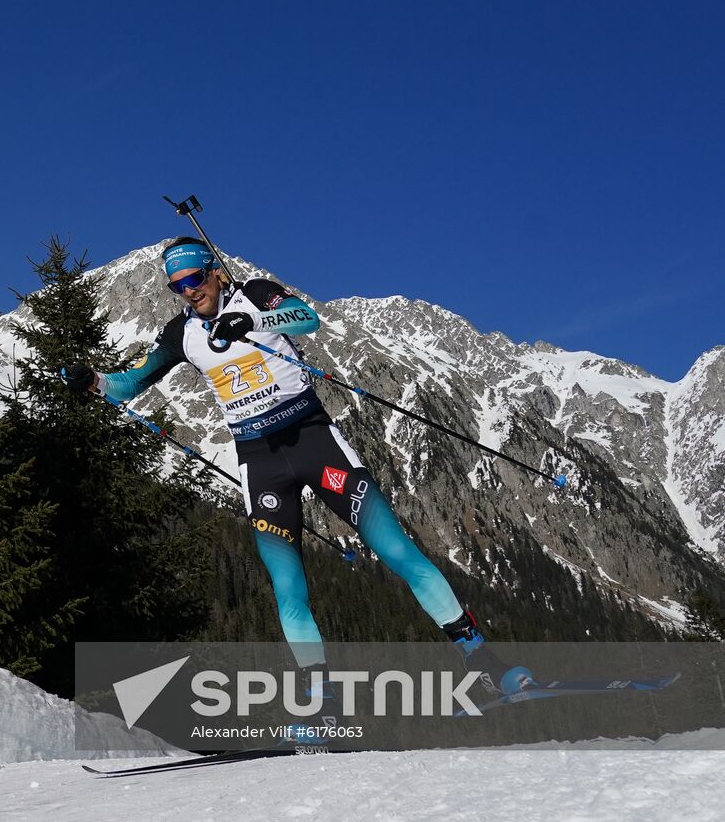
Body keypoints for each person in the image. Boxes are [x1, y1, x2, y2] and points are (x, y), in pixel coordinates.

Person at [61, 236, 530, 695]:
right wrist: (93, 381)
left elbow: (306, 320)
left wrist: (246, 319)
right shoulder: (180, 334)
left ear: (216, 273)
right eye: (177, 285)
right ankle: (321, 704)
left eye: (195, 278)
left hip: (314, 441)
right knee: (288, 589)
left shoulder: (257, 294)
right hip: (260, 463)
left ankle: (481, 660)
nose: (189, 290)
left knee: (396, 550)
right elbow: (127, 385)